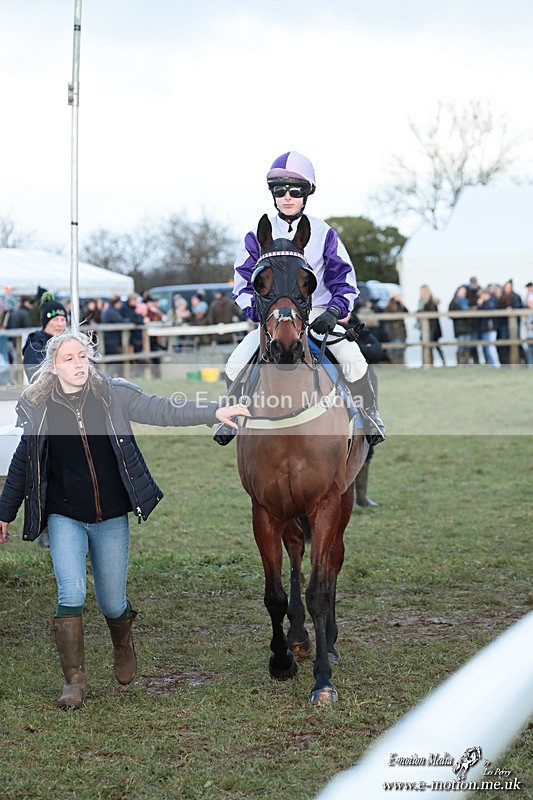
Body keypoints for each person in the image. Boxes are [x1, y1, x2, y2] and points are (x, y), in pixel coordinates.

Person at [0, 329, 249, 709]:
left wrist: (212, 411)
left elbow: (163, 409)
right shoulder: (40, 407)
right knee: (71, 592)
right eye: (69, 359)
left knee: (112, 602)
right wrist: (4, 514)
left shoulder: (111, 394)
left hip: (112, 515)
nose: (79, 364)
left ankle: (122, 639)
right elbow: (22, 463)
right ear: (53, 366)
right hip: (64, 515)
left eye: (83, 356)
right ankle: (74, 682)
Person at [214, 151, 385, 446]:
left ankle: (370, 415)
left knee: (354, 360)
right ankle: (234, 418)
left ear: (306, 194)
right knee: (235, 363)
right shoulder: (257, 235)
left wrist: (334, 312)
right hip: (272, 316)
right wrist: (258, 311)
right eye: (280, 191)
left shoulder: (324, 232)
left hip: (317, 311)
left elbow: (345, 281)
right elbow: (242, 282)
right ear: (273, 195)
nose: (287, 197)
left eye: (295, 191)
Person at [341, 307, 383, 508]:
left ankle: (362, 496)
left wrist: (357, 347)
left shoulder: (359, 326)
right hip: (342, 394)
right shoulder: (326, 330)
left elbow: (376, 351)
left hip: (365, 393)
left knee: (367, 442)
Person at [22, 292, 68, 380]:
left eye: (63, 319)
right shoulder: (35, 347)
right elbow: (37, 380)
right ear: (45, 322)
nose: (60, 324)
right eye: (55, 319)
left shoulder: (65, 344)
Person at [418, 285, 445, 366]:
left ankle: (433, 362)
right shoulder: (422, 301)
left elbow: (431, 314)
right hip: (425, 327)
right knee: (430, 345)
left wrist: (420, 313)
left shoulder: (431, 301)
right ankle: (429, 362)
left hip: (432, 327)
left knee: (432, 345)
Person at [497, 279, 523, 365]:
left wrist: (512, 310)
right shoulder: (501, 297)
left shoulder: (516, 296)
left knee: (516, 342)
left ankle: (519, 361)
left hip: (514, 324)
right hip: (504, 324)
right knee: (504, 343)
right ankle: (505, 362)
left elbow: (520, 307)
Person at [448, 285, 475, 365]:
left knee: (467, 345)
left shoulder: (467, 302)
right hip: (459, 327)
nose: (462, 293)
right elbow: (450, 314)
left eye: (464, 292)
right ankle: (460, 363)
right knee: (461, 345)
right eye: (461, 291)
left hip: (467, 326)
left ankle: (466, 362)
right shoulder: (454, 302)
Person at [476, 287, 500, 367]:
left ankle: (496, 364)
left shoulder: (492, 301)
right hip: (485, 328)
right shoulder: (486, 302)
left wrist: (480, 305)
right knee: (487, 347)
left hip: (491, 328)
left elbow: (489, 311)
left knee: (491, 347)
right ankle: (491, 364)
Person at [382, 293, 408, 365]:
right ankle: (395, 366)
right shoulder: (389, 306)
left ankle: (401, 366)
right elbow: (387, 315)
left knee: (401, 350)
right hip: (393, 332)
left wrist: (401, 303)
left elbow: (406, 312)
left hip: (402, 332)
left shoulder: (400, 305)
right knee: (395, 351)